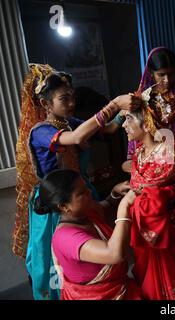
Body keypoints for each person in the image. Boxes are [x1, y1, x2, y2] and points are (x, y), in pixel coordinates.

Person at [13, 64, 140, 300]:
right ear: (45, 104)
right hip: (57, 202)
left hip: (80, 191)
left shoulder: (70, 122)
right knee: (57, 264)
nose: (71, 103)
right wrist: (114, 104)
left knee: (93, 250)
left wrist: (128, 108)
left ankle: (98, 286)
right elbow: (79, 137)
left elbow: (110, 128)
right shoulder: (41, 131)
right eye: (64, 99)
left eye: (72, 97)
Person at [33, 169, 141, 300]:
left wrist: (115, 193)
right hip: (97, 296)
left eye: (86, 187)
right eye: (81, 193)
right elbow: (114, 254)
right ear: (63, 206)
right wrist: (124, 208)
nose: (89, 192)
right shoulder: (66, 238)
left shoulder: (84, 213)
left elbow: (105, 207)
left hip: (119, 287)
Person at [122, 105, 175, 300]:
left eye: (129, 120)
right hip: (142, 225)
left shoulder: (169, 153)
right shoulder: (139, 152)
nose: (123, 125)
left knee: (170, 281)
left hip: (166, 229)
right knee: (145, 277)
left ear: (146, 125)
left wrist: (162, 198)